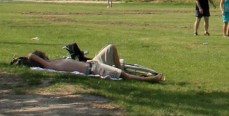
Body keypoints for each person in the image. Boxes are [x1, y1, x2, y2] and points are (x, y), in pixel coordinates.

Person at [27, 45, 164, 82]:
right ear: (41, 59)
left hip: (93, 63)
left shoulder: (54, 62)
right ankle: (150, 80)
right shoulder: (50, 66)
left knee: (111, 48)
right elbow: (30, 55)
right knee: (121, 74)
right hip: (94, 70)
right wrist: (33, 58)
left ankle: (119, 68)